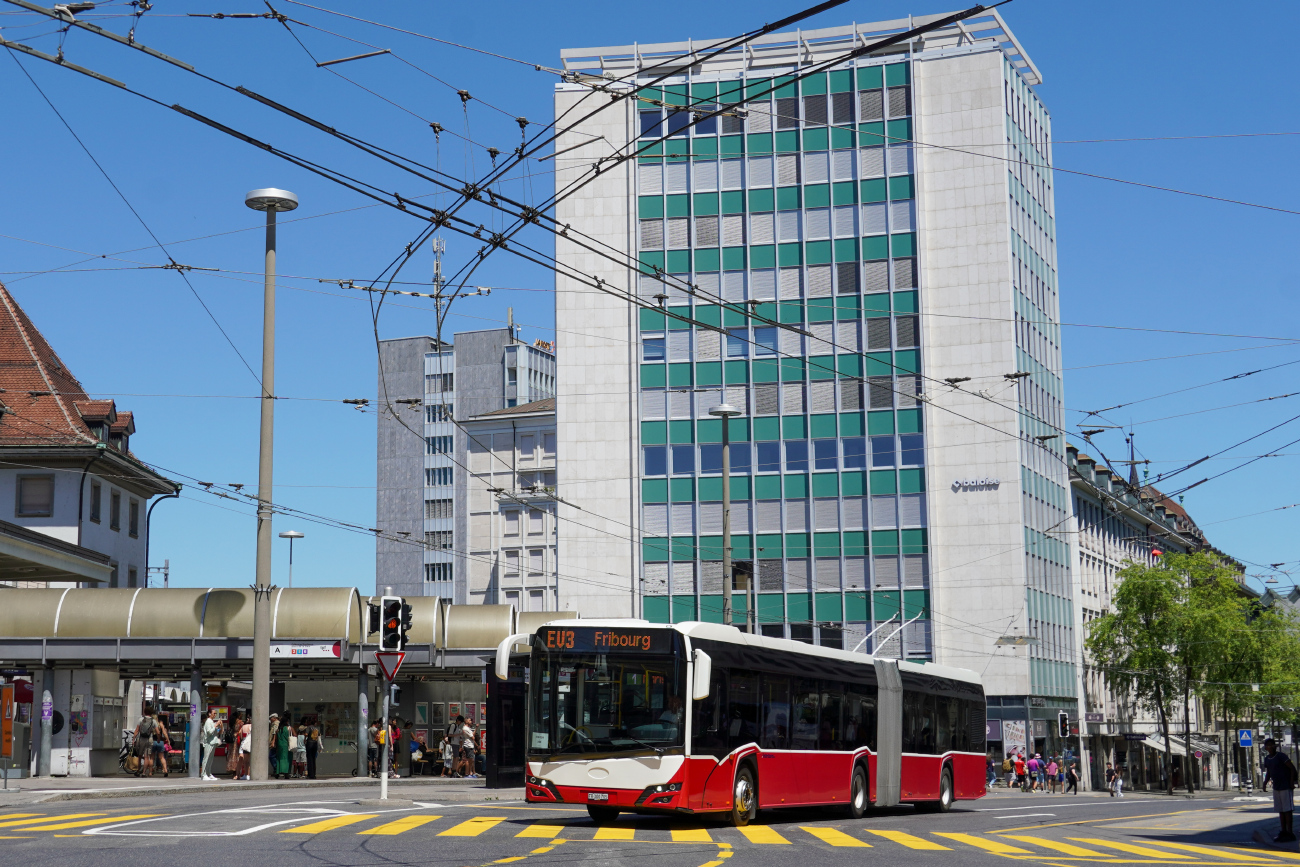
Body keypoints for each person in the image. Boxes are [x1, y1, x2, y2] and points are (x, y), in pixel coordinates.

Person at [1263, 738, 1297, 843]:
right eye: (1268, 745)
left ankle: (1290, 832)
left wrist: (1292, 782)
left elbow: (1292, 768)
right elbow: (1269, 771)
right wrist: (1265, 782)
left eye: (1272, 745)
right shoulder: (1267, 759)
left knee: (1287, 810)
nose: (1270, 747)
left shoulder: (1281, 756)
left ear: (1275, 746)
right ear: (1266, 748)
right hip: (1276, 787)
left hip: (1285, 786)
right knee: (1281, 810)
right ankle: (1283, 831)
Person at [133, 704, 157, 777]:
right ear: (151, 713)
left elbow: (137, 730)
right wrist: (159, 738)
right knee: (147, 757)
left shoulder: (141, 720)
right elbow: (158, 732)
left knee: (139, 756)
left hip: (141, 739)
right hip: (149, 739)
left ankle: (138, 771)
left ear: (144, 712)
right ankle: (144, 773)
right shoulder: (153, 721)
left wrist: (133, 739)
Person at [201, 708, 223, 781]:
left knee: (210, 759)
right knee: (206, 758)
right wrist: (216, 725)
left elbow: (218, 731)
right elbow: (209, 732)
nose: (215, 715)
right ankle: (203, 774)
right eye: (214, 713)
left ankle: (208, 773)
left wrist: (220, 725)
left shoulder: (212, 722)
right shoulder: (208, 722)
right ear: (209, 714)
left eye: (216, 713)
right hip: (208, 743)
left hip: (213, 742)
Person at [153, 712, 171, 778]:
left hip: (152, 741)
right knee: (162, 757)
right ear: (157, 718)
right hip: (160, 742)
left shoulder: (151, 724)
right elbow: (164, 733)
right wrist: (168, 740)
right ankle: (165, 770)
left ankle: (150, 771)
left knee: (152, 757)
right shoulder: (160, 724)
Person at [274, 712, 292, 779]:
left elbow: (276, 738)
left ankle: (277, 772)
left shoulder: (278, 729)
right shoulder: (288, 728)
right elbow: (294, 735)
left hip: (279, 744)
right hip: (286, 745)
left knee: (279, 758)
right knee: (285, 758)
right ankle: (286, 772)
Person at [237, 715, 252, 780]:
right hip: (252, 743)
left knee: (245, 761)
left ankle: (245, 774)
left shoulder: (244, 726)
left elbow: (240, 735)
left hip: (245, 743)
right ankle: (249, 774)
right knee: (251, 761)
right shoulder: (253, 726)